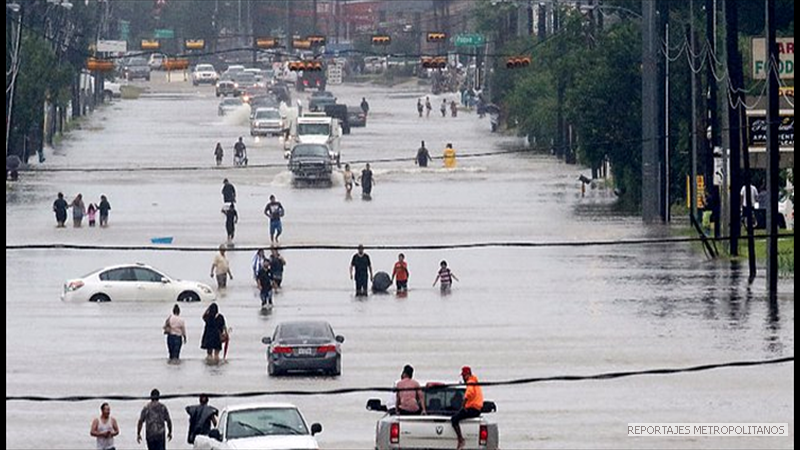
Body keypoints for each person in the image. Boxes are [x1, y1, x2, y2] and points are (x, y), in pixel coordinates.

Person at [451, 366, 483, 450]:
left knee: (454, 419)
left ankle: (461, 439)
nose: (463, 378)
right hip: (476, 409)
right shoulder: (475, 381)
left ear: (467, 375)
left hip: (473, 409)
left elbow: (469, 393)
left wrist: (463, 405)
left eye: (463, 376)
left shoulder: (471, 382)